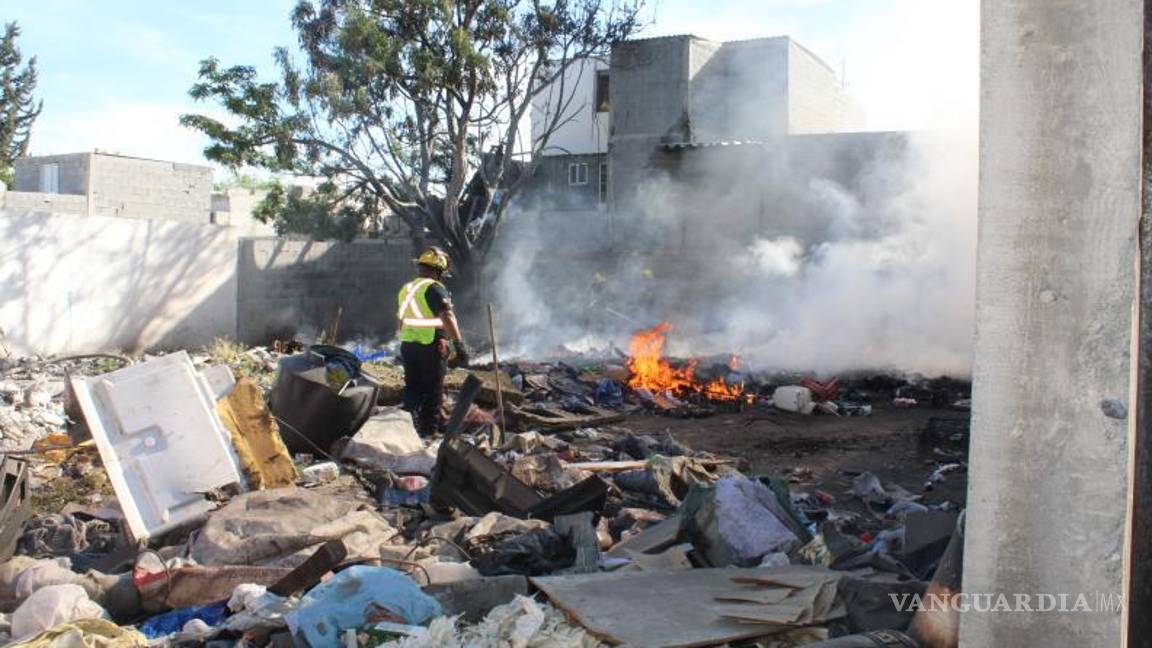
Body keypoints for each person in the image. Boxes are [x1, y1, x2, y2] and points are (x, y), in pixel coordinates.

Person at [396, 246, 469, 436]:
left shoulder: (407, 288)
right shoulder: (435, 288)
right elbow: (447, 315)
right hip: (431, 344)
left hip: (408, 344)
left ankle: (405, 428)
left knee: (413, 387)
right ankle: (428, 432)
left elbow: (400, 319)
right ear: (438, 271)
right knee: (433, 390)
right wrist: (459, 344)